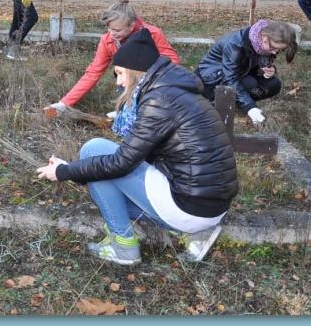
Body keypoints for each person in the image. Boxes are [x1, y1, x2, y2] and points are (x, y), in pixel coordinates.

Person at [36, 28, 238, 265]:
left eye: (120, 74)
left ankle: (124, 247)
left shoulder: (159, 101)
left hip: (189, 206)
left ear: (136, 71)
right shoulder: (176, 91)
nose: (119, 82)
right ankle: (196, 232)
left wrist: (63, 171)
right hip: (211, 207)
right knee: (100, 176)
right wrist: (78, 170)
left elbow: (121, 163)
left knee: (94, 150)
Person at [44, 0, 180, 118]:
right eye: (109, 29)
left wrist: (152, 77)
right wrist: (64, 103)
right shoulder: (107, 40)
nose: (112, 34)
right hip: (127, 83)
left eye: (117, 30)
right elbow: (92, 73)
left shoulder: (153, 34)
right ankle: (127, 110)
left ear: (132, 25)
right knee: (123, 76)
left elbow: (173, 63)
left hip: (157, 83)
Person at [195, 20, 298, 125]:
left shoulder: (261, 44)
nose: (275, 52)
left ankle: (237, 103)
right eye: (274, 48)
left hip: (239, 72)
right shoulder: (235, 45)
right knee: (250, 83)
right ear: (265, 38)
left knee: (274, 84)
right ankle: (219, 101)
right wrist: (250, 107)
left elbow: (249, 64)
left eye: (279, 50)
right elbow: (230, 78)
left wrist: (267, 71)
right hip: (211, 78)